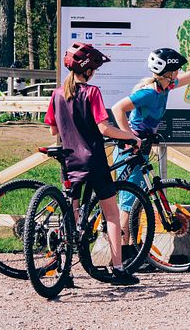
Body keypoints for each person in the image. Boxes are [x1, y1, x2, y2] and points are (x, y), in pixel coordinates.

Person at [111, 47, 190, 255]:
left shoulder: (164, 87)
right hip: (129, 150)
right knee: (128, 203)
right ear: (169, 72)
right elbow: (117, 109)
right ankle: (124, 253)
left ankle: (130, 251)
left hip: (141, 149)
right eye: (176, 69)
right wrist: (131, 137)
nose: (179, 72)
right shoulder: (148, 92)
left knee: (137, 200)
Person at [44, 42, 142, 286]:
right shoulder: (92, 92)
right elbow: (103, 128)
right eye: (94, 69)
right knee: (111, 214)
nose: (95, 73)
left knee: (72, 215)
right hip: (94, 160)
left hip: (69, 160)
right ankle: (118, 269)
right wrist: (130, 136)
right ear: (87, 71)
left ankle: (64, 271)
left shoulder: (57, 94)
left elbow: (53, 129)